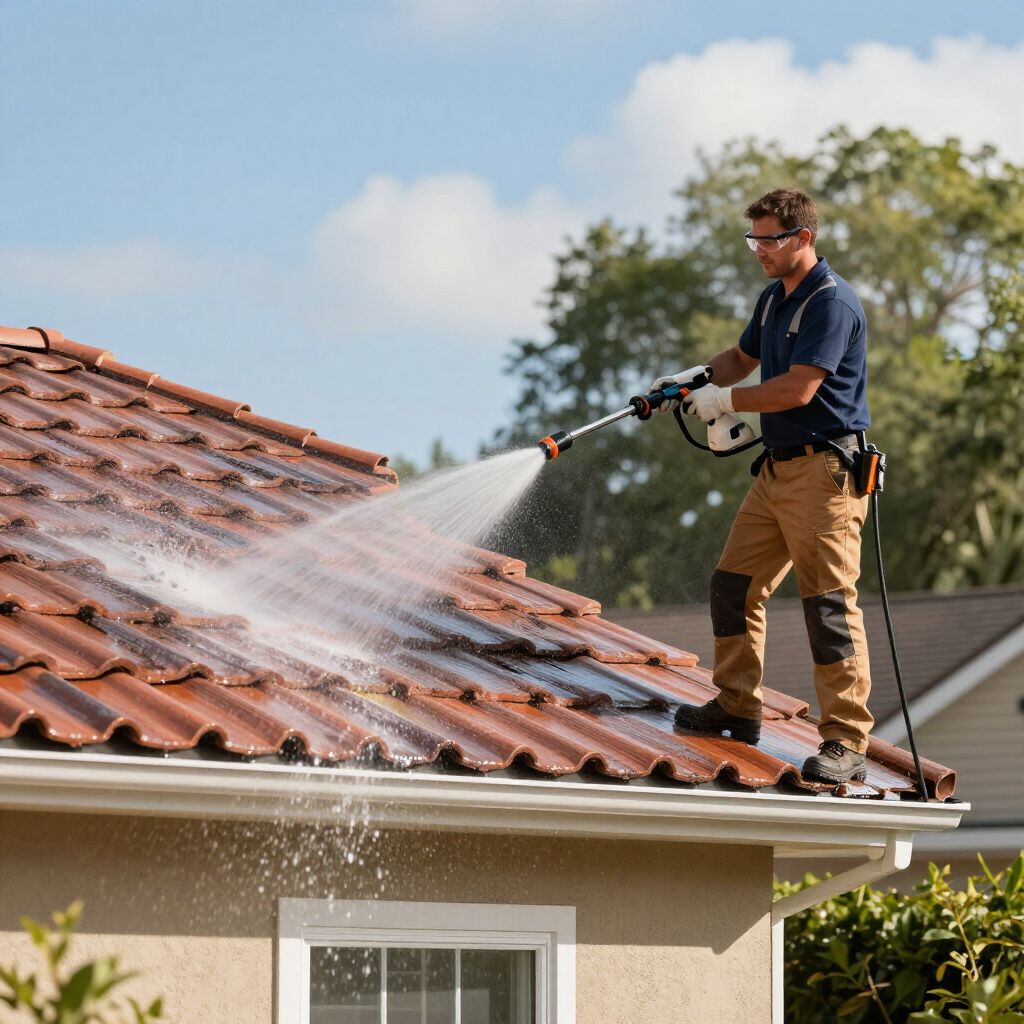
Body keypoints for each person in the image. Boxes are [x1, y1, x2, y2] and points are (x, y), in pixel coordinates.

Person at [652, 187, 873, 785]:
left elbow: (797, 389)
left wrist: (723, 400)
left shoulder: (832, 304)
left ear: (803, 238)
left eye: (769, 240)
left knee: (828, 606)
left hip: (824, 475)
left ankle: (846, 741)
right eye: (753, 239)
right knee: (732, 586)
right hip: (776, 471)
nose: (759, 251)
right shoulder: (775, 298)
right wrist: (685, 381)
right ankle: (736, 707)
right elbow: (740, 359)